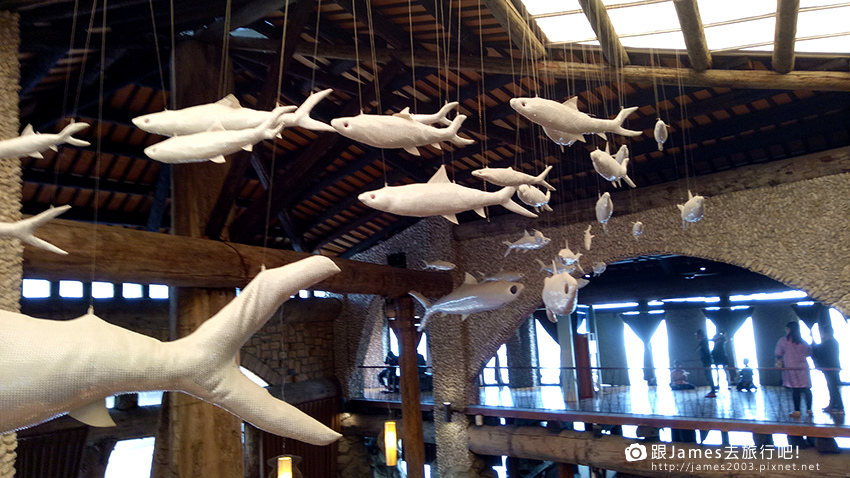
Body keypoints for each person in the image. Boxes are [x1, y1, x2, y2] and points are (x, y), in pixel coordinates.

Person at [775, 321, 812, 418]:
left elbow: (778, 353)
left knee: (796, 390)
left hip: (791, 368)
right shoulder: (802, 341)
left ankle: (797, 411)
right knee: (806, 389)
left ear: (788, 329)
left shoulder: (783, 341)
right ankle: (809, 409)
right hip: (803, 368)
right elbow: (808, 353)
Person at [813, 324, 844, 414]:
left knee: (833, 387)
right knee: (832, 386)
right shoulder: (834, 342)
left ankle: (839, 406)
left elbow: (819, 350)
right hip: (834, 367)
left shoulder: (828, 343)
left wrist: (813, 344)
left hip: (830, 368)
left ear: (825, 333)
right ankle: (833, 404)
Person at [695, 329, 717, 397]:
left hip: (707, 361)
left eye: (697, 335)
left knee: (709, 376)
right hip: (705, 361)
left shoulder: (704, 341)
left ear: (700, 335)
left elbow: (703, 350)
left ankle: (713, 391)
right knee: (708, 376)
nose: (697, 337)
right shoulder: (703, 341)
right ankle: (712, 390)